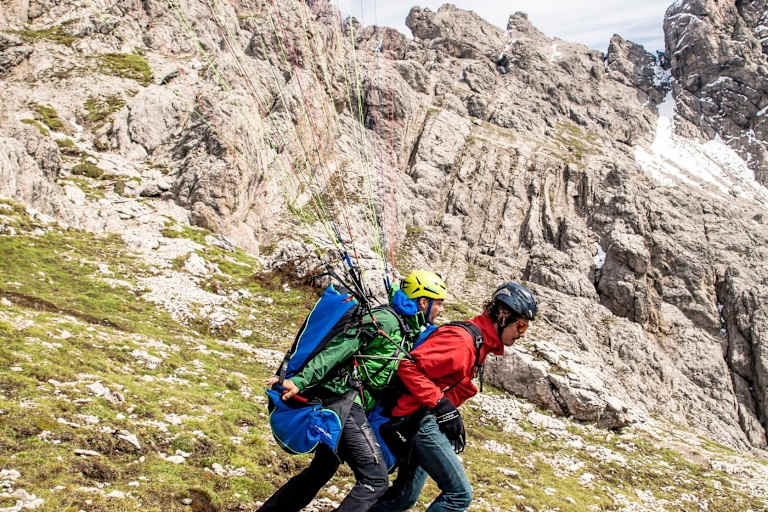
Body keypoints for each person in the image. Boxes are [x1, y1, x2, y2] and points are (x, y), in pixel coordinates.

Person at [258, 270, 448, 512]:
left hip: (350, 404)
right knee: (375, 480)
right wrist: (301, 380)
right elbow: (341, 347)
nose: (440, 309)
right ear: (424, 301)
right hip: (343, 402)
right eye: (439, 303)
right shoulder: (387, 321)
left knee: (322, 469)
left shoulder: (405, 329)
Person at [371, 281, 537, 512]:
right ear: (502, 315)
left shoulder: (480, 344)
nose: (521, 334)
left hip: (423, 417)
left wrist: (447, 413)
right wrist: (442, 406)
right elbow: (408, 366)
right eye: (520, 326)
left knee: (404, 496)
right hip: (416, 419)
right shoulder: (462, 342)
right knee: (459, 495)